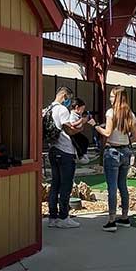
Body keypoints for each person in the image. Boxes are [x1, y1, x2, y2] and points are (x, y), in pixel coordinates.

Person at [96, 87, 136, 231]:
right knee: (123, 185)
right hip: (126, 151)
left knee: (112, 187)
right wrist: (125, 141)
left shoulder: (111, 112)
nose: (110, 99)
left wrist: (95, 126)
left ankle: (111, 220)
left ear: (118, 98)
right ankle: (125, 217)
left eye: (112, 96)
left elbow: (107, 132)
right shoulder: (131, 114)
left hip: (112, 151)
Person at [47, 95, 93, 229]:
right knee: (66, 186)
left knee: (55, 185)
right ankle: (63, 217)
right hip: (65, 152)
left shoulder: (49, 109)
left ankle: (52, 217)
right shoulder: (63, 110)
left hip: (53, 150)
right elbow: (70, 130)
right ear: (64, 96)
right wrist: (83, 123)